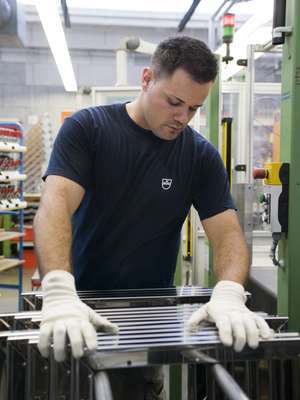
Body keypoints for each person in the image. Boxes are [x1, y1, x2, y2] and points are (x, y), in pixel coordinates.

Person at [34, 35, 272, 399]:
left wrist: (229, 292)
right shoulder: (89, 130)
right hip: (78, 307)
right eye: (174, 102)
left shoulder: (199, 156)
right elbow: (55, 206)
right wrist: (59, 290)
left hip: (149, 318)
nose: (182, 117)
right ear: (147, 79)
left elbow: (227, 234)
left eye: (193, 108)